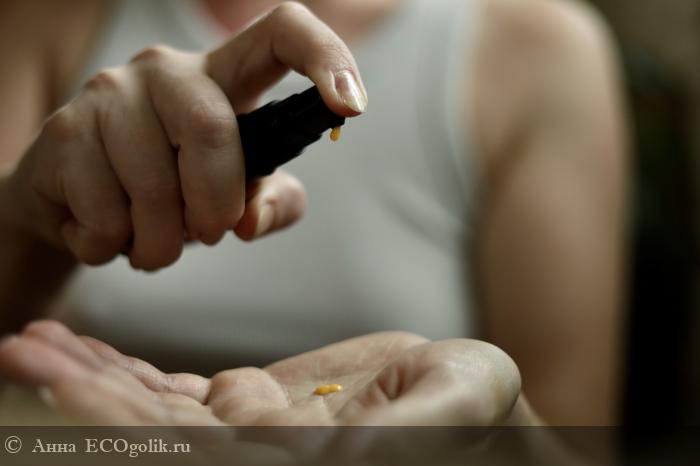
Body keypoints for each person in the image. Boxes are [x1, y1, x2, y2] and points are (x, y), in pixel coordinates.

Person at [0, 0, 628, 426]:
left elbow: (573, 445)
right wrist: (26, 226)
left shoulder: (539, 48)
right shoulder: (46, 19)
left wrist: (498, 429)